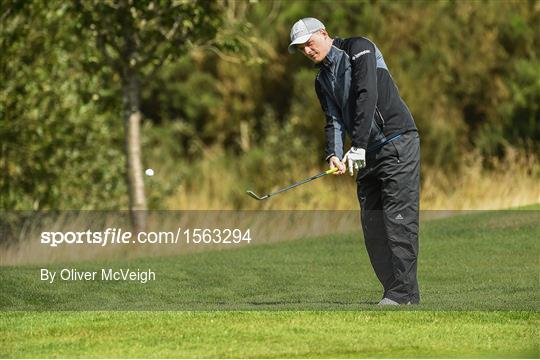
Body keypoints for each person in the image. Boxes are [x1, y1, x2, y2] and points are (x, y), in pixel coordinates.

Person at [288, 18, 420, 305]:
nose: (307, 51)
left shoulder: (359, 47)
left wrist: (357, 146)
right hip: (365, 153)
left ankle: (404, 295)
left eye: (309, 44)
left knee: (398, 221)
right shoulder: (321, 79)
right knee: (373, 226)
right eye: (301, 49)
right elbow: (333, 119)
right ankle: (394, 292)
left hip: (396, 141)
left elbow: (366, 94)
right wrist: (334, 153)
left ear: (324, 34)